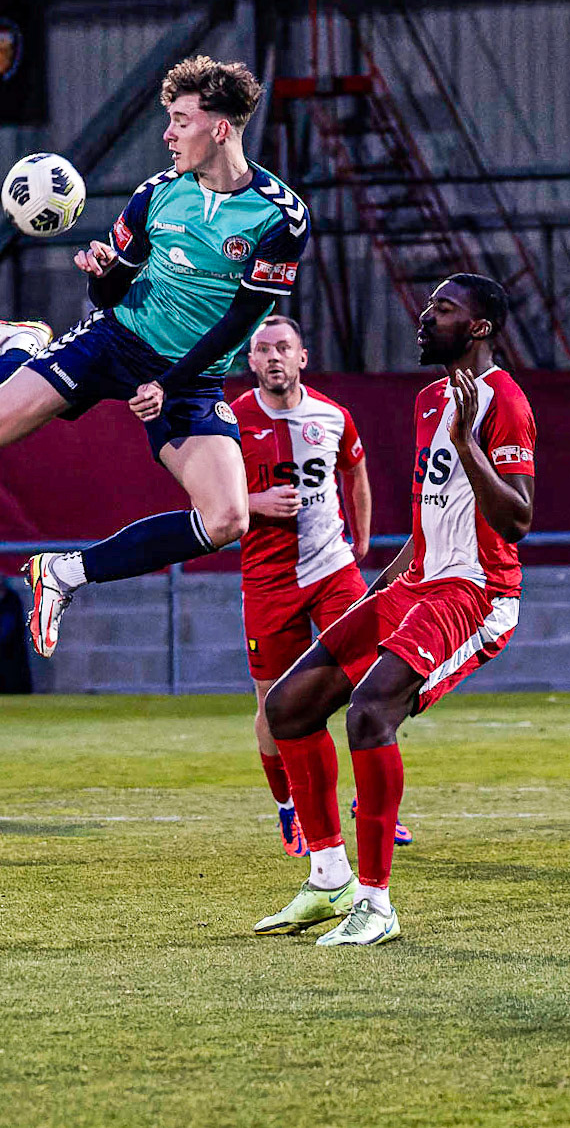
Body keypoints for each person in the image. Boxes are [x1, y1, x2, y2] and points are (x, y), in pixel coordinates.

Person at [0, 55, 309, 658]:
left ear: (219, 128)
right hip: (114, 341)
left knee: (227, 520)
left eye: (180, 121)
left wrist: (171, 381)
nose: (167, 135)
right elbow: (108, 294)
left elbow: (246, 318)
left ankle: (64, 574)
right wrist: (104, 273)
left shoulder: (281, 215)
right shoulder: (154, 197)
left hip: (189, 378)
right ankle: (21, 344)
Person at [252, 274, 535, 946]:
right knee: (287, 706)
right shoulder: (430, 397)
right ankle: (327, 880)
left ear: (479, 327)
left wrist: (469, 444)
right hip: (416, 582)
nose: (424, 316)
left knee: (370, 712)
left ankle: (376, 904)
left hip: (476, 591)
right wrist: (383, 585)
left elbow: (518, 518)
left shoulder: (506, 403)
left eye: (442, 309)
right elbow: (430, 510)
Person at [233, 314, 409, 857]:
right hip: (268, 582)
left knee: (372, 683)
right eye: (263, 350)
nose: (274, 357)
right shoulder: (228, 420)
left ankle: (370, 802)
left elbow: (354, 471)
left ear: (302, 357)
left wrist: (362, 537)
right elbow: (206, 496)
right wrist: (255, 504)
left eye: (283, 347)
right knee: (273, 704)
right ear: (251, 362)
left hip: (333, 571)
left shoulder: (332, 416)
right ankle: (289, 808)